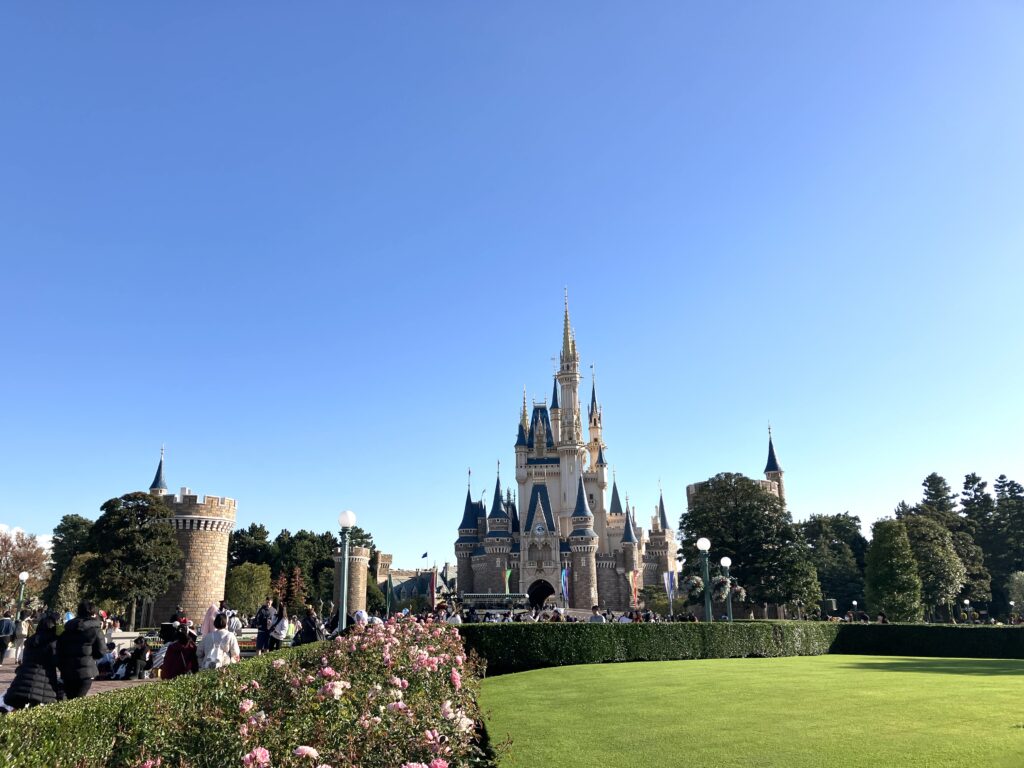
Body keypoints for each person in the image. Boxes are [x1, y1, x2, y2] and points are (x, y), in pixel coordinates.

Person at [3, 613, 62, 709]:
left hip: (23, 679)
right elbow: (56, 661)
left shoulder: (31, 641)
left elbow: (25, 659)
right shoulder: (52, 642)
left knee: (19, 708)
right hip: (44, 681)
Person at [56, 600, 105, 699]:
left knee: (70, 699)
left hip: (67, 670)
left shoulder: (68, 629)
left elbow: (59, 649)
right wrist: (91, 657)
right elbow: (101, 651)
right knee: (78, 700)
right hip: (86, 671)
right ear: (93, 613)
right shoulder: (95, 630)